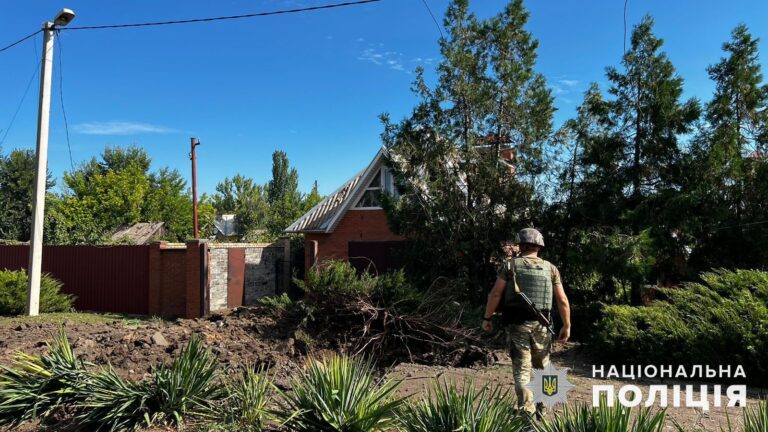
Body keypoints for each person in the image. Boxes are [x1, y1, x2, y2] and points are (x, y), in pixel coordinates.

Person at [481, 228, 571, 418]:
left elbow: (496, 294)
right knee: (545, 367)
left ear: (521, 245)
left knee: (522, 369)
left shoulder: (510, 266)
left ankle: (527, 410)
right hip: (542, 326)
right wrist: (566, 325)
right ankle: (544, 407)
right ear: (540, 246)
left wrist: (487, 318)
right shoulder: (551, 268)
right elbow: (562, 300)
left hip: (517, 325)